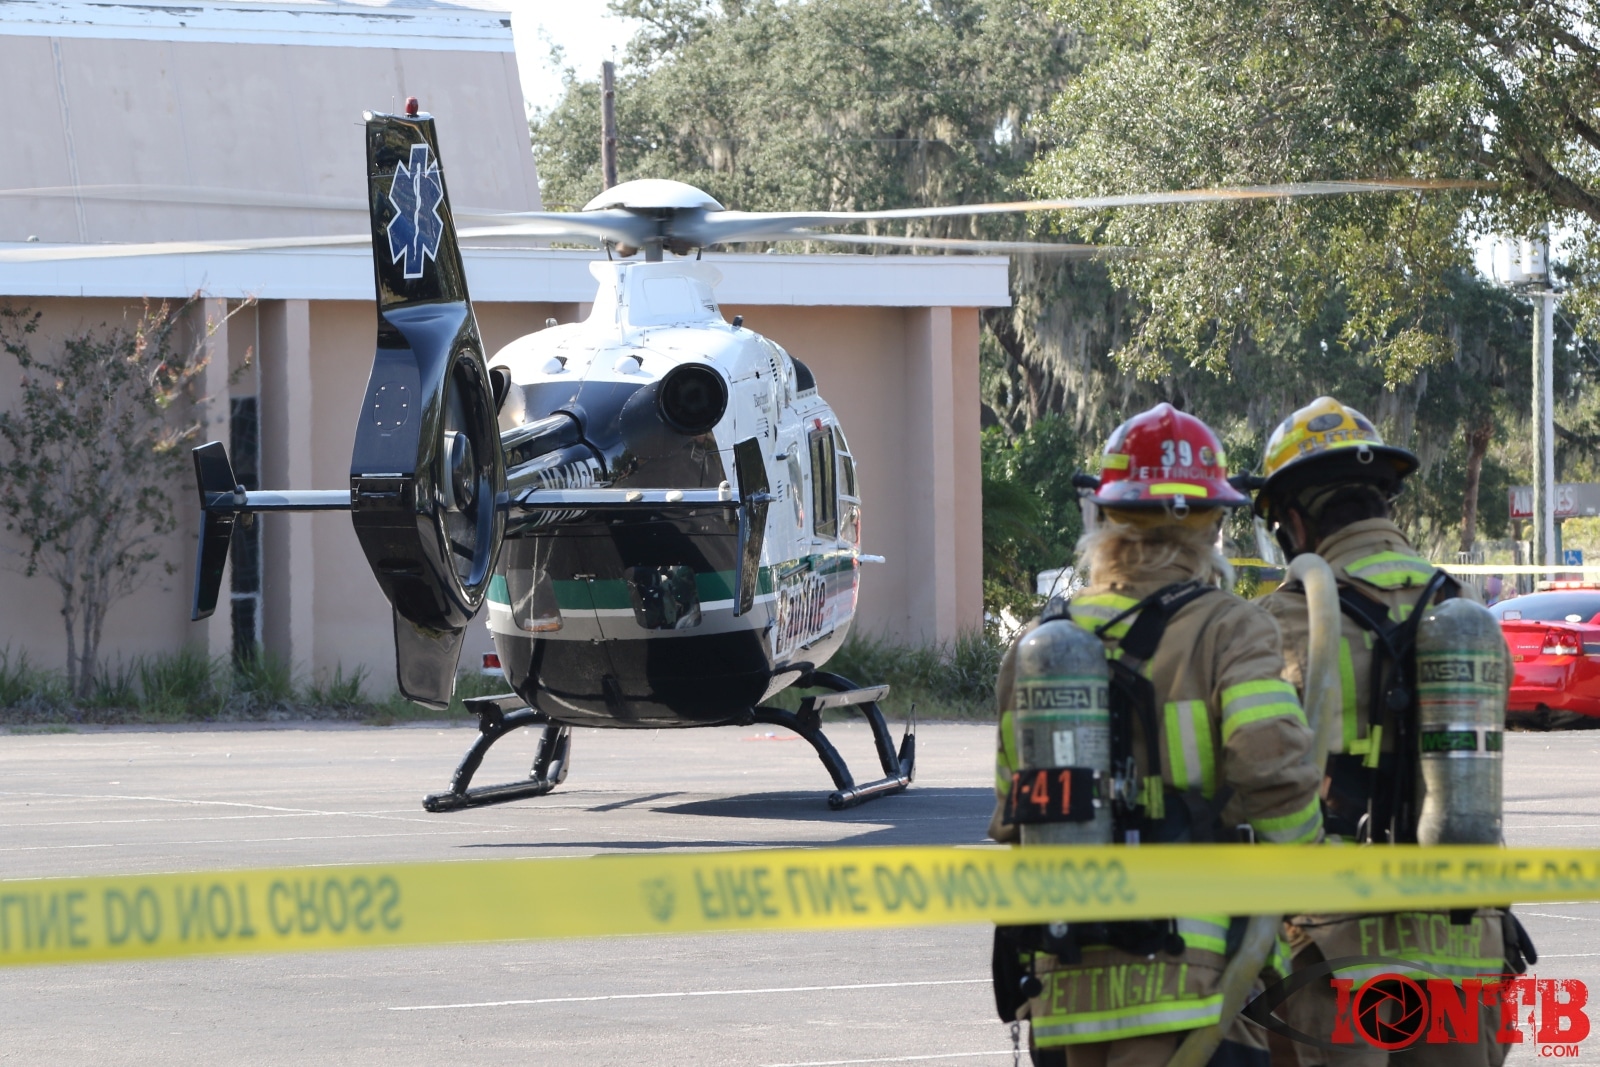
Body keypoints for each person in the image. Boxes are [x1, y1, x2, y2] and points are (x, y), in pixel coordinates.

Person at [991, 402, 1324, 1067]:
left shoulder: (1040, 646)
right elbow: (1271, 766)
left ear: (1107, 517)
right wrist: (1310, 870)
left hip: (1063, 988)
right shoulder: (1232, 627)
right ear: (1212, 522)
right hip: (1194, 984)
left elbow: (1012, 813)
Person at [1254, 396, 1527, 1066]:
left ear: (1294, 521)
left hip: (1337, 945)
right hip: (1466, 935)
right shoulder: (1462, 610)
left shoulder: (1278, 623)